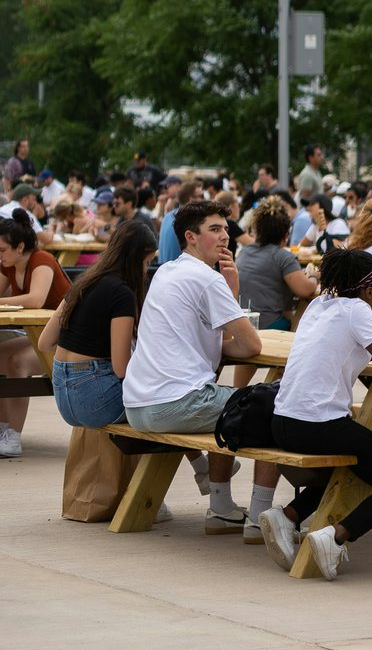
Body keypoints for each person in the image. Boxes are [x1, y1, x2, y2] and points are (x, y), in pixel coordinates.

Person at [257, 249, 372, 580]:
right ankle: (335, 536)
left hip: (282, 420)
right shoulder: (358, 310)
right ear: (367, 291)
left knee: (352, 467)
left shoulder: (320, 304)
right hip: (317, 424)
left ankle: (289, 515)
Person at [123, 200, 270, 536]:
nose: (225, 237)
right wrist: (230, 291)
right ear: (190, 236)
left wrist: (228, 290)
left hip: (137, 404)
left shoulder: (166, 271)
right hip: (173, 404)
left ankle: (221, 509)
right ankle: (262, 518)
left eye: (226, 229)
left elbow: (208, 346)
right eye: (214, 230)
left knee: (230, 403)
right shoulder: (206, 278)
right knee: (276, 409)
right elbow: (251, 346)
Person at [0, 217, 70, 457]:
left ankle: (14, 435)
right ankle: (2, 427)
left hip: (64, 338)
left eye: (2, 250)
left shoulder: (42, 260)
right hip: (37, 332)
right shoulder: (8, 264)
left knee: (17, 362)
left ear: (20, 247)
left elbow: (36, 299)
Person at [39, 221, 160, 428]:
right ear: (138, 258)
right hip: (97, 402)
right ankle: (201, 462)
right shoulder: (122, 294)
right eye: (147, 262)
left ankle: (199, 463)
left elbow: (44, 343)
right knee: (170, 406)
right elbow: (121, 368)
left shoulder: (85, 281)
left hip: (63, 398)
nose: (145, 269)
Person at [236, 198, 318, 333]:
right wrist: (314, 275)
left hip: (244, 324)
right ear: (286, 232)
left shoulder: (244, 252)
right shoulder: (282, 257)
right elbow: (305, 290)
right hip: (269, 325)